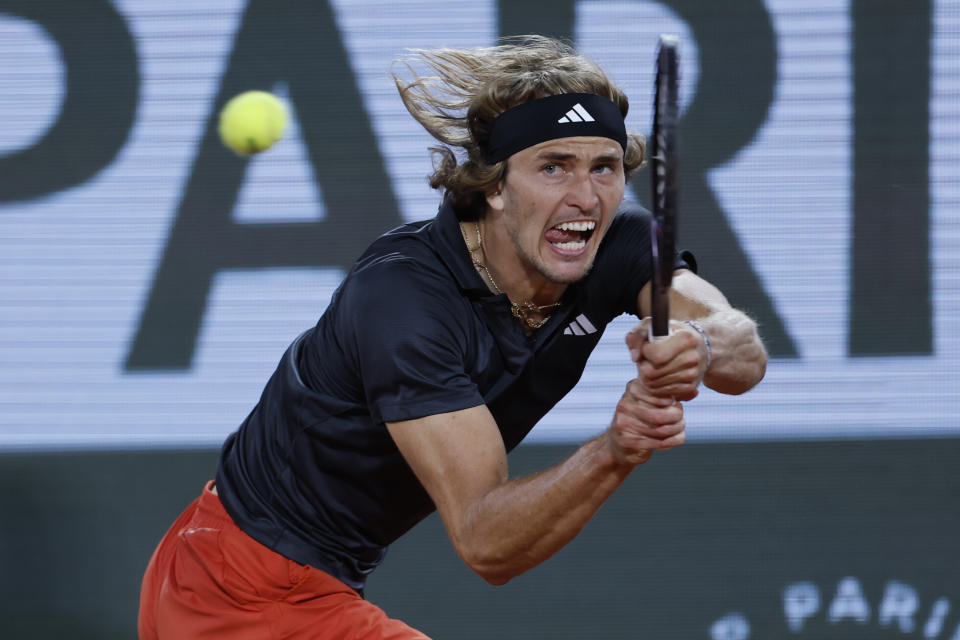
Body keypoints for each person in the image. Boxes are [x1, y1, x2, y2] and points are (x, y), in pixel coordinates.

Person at [138, 35, 767, 640]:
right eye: (554, 167)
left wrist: (701, 347)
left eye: (604, 168)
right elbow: (485, 541)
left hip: (304, 580)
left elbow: (740, 348)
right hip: (234, 588)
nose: (586, 197)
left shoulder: (620, 243)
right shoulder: (403, 299)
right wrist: (616, 447)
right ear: (494, 187)